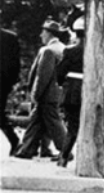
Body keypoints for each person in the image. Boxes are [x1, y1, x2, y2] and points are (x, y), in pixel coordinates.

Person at [15, 20, 67, 159]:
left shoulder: (48, 50)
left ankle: (65, 150)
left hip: (46, 94)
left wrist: (35, 94)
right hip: (56, 93)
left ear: (49, 33)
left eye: (43, 32)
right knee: (37, 122)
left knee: (53, 123)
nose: (40, 35)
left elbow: (42, 75)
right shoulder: (62, 48)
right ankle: (29, 149)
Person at [55, 17, 85, 167]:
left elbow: (59, 73)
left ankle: (63, 157)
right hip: (88, 91)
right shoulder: (96, 51)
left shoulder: (70, 51)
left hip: (72, 91)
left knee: (72, 127)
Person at [1, 27, 22, 155]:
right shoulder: (11, 37)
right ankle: (14, 140)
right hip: (4, 81)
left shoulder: (10, 37)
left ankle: (14, 140)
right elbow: (16, 63)